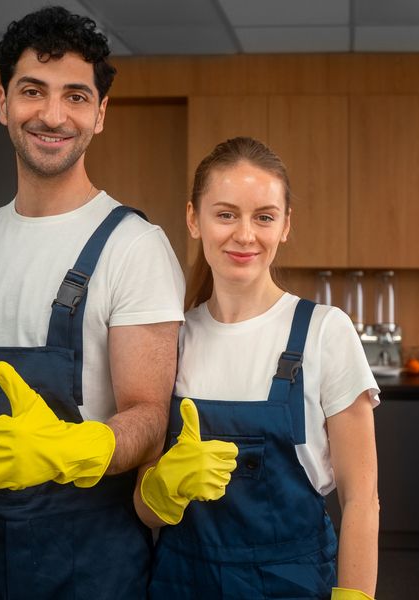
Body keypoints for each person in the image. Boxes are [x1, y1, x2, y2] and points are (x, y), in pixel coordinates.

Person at [0, 6, 184, 599]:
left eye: (76, 96)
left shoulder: (135, 248)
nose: (53, 116)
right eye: (33, 91)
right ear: (3, 102)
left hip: (87, 562)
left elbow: (150, 420)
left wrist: (81, 447)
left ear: (100, 114)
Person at [134, 137, 380, 600]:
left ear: (285, 225)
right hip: (181, 582)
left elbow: (361, 500)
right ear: (193, 219)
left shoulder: (324, 332)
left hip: (292, 584)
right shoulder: (172, 339)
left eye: (264, 216)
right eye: (225, 214)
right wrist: (161, 490)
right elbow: (143, 511)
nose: (245, 235)